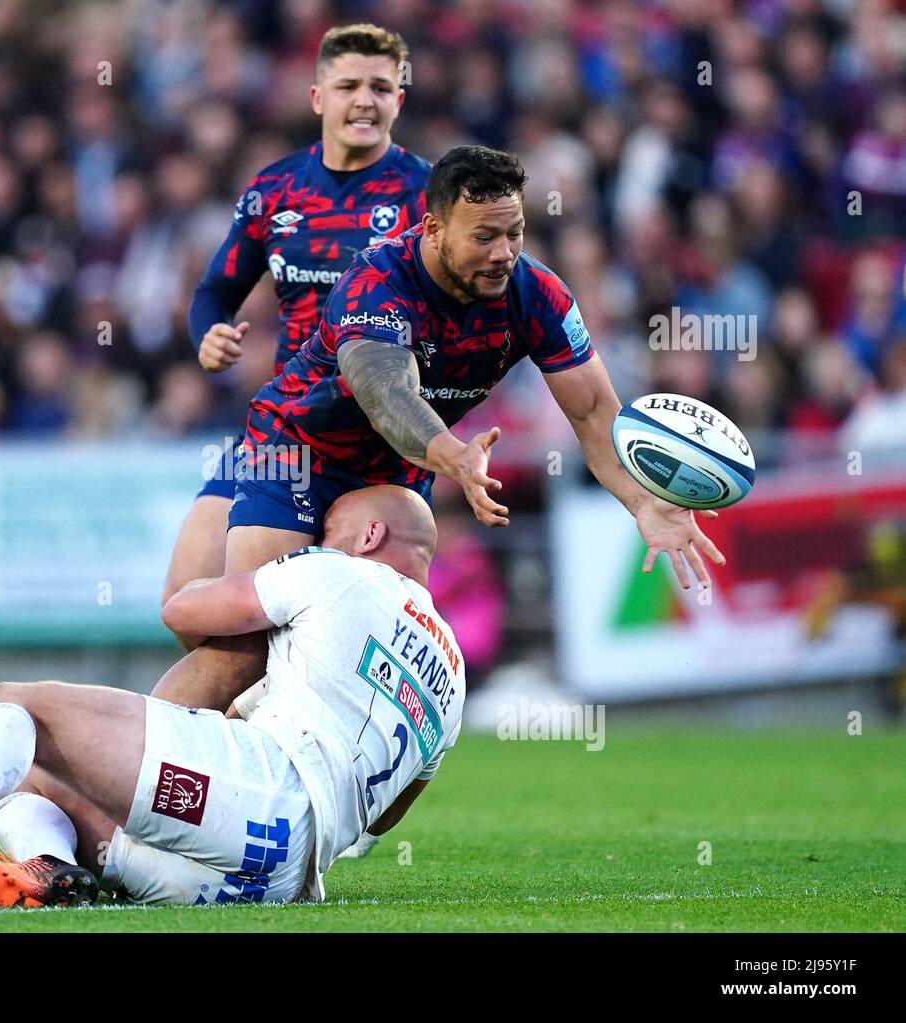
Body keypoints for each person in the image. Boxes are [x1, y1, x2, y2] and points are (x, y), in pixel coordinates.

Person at [150, 143, 726, 717]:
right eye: (483, 237)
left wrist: (643, 502)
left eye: (514, 233)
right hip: (297, 451)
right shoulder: (376, 281)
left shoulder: (539, 296)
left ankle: (290, 775)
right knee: (245, 648)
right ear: (433, 228)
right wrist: (453, 456)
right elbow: (386, 395)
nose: (504, 253)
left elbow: (596, 413)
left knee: (368, 657)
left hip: (396, 475)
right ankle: (132, 782)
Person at [0, 486, 464, 907]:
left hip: (256, 786)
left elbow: (184, 611)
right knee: (17, 774)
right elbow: (383, 820)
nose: (320, 539)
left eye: (330, 529)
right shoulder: (454, 675)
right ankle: (56, 872)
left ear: (369, 537)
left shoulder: (338, 574)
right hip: (282, 880)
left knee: (15, 705)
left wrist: (274, 570)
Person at [163, 23, 430, 635]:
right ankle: (243, 726)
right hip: (283, 427)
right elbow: (214, 291)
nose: (364, 99)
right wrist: (209, 334)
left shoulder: (428, 196)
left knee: (342, 627)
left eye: (380, 86)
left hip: (378, 444)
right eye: (348, 85)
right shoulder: (274, 189)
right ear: (318, 98)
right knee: (187, 606)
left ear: (399, 100)